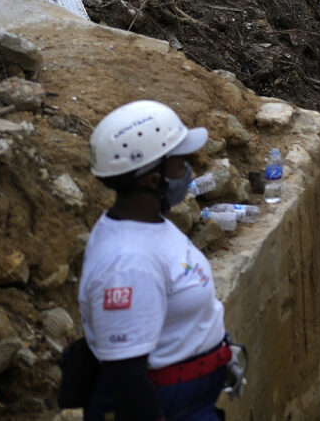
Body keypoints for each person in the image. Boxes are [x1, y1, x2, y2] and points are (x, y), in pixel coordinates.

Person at [79, 101, 234, 421]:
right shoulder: (126, 263)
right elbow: (126, 377)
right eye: (179, 164)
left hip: (192, 401)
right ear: (151, 179)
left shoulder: (151, 223)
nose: (188, 171)